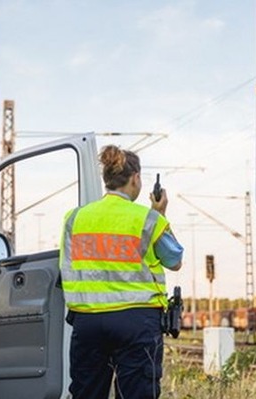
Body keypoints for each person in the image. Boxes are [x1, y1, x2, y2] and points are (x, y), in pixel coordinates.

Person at [59, 144, 183, 399]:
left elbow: (67, 265)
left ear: (107, 180)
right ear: (135, 178)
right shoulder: (147, 219)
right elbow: (175, 260)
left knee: (86, 393)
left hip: (88, 323)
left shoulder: (74, 218)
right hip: (136, 322)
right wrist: (160, 214)